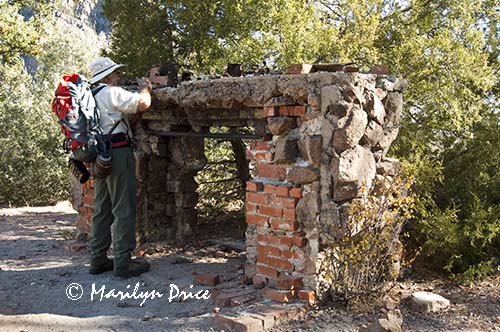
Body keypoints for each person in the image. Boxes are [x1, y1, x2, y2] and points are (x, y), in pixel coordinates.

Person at [87, 57, 152, 278]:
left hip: (100, 155)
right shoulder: (110, 92)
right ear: (106, 76)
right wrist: (145, 88)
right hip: (118, 152)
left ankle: (98, 259)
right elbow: (143, 104)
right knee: (123, 207)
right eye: (114, 73)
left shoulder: (88, 94)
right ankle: (123, 263)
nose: (117, 77)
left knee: (101, 208)